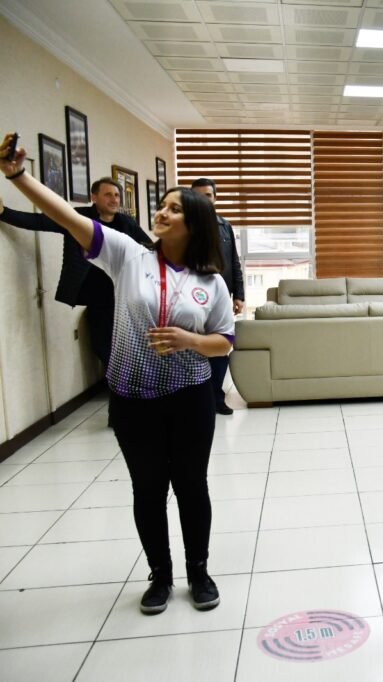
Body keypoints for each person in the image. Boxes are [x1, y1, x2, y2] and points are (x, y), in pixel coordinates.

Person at [1, 133, 234, 615]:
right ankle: (160, 575)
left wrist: (190, 341)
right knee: (148, 489)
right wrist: (17, 175)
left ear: (193, 224)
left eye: (173, 209)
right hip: (133, 398)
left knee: (192, 487)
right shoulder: (127, 254)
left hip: (190, 397)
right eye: (161, 205)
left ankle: (199, 571)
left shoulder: (211, 281)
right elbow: (66, 216)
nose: (161, 212)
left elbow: (225, 342)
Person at [0, 176, 150, 370]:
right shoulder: (79, 219)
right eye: (108, 195)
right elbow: (40, 222)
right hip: (96, 295)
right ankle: (118, 381)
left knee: (130, 345)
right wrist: (4, 213)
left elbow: (149, 247)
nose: (114, 200)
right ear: (94, 197)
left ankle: (130, 380)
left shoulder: (127, 223)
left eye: (116, 195)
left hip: (123, 294)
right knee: (103, 345)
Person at [191, 178, 244, 416]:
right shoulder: (183, 226)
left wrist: (239, 295)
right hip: (192, 297)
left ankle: (216, 397)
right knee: (195, 348)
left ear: (215, 198)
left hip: (221, 296)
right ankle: (197, 399)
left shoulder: (225, 226)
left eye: (208, 195)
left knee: (221, 346)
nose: (203, 200)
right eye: (198, 196)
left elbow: (234, 261)